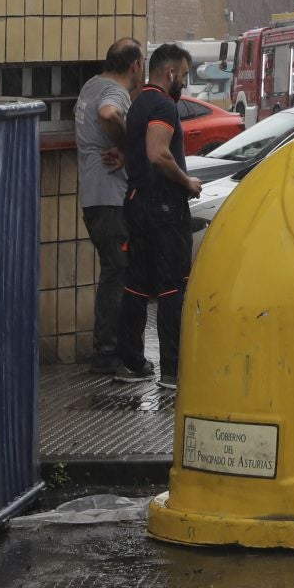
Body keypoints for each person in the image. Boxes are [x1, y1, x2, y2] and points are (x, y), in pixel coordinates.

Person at [115, 43, 201, 388]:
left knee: (136, 286)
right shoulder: (163, 105)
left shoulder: (137, 105)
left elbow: (135, 149)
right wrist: (187, 181)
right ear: (170, 73)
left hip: (136, 203)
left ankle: (131, 363)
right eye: (183, 75)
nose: (184, 81)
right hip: (163, 208)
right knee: (171, 289)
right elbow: (158, 153)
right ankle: (173, 372)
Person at [73, 38, 143, 374]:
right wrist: (129, 147)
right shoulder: (115, 93)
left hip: (92, 196)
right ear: (135, 66)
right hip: (110, 198)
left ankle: (111, 350)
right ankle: (108, 354)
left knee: (113, 272)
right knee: (118, 273)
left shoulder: (90, 86)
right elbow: (109, 114)